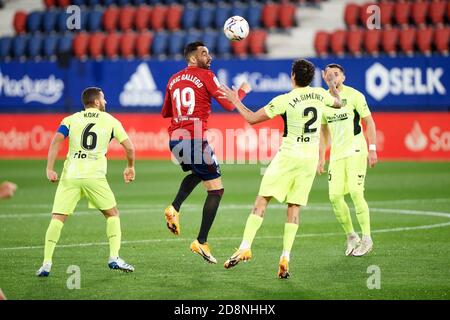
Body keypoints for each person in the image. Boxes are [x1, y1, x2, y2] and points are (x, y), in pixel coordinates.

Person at [220, 59, 341, 278]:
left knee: (262, 200)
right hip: (309, 159)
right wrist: (332, 84)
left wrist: (236, 100)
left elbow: (251, 118)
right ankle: (285, 256)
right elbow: (339, 103)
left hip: (288, 156)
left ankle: (245, 245)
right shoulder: (321, 95)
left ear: (293, 76)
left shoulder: (285, 100)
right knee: (294, 207)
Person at [161, 41, 250, 264]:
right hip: (194, 138)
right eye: (204, 53)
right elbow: (229, 105)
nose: (209, 57)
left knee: (200, 174)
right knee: (216, 190)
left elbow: (166, 112)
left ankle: (175, 207)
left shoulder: (173, 79)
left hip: (175, 138)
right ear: (192, 58)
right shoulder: (206, 76)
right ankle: (201, 241)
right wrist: (242, 91)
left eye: (209, 53)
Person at [36, 87, 136, 277]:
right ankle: (114, 256)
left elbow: (56, 140)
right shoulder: (111, 121)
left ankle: (46, 263)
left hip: (70, 175)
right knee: (112, 215)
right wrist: (130, 166)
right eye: (103, 99)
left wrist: (49, 168)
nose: (105, 102)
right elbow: (130, 147)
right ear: (97, 102)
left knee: (57, 218)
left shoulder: (71, 119)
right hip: (94, 176)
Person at [318, 63, 377, 257]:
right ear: (324, 78)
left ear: (343, 77)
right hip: (336, 155)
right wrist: (321, 157)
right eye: (329, 75)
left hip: (356, 150)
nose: (333, 77)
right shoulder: (324, 100)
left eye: (336, 74)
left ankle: (367, 238)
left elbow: (369, 121)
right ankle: (351, 236)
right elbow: (324, 130)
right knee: (334, 197)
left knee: (355, 191)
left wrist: (373, 148)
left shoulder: (355, 96)